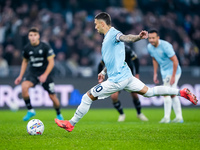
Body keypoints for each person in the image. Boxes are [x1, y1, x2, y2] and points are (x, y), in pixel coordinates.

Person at [55, 12, 198, 132]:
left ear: (102, 24)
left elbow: (126, 37)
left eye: (96, 24)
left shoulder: (113, 34)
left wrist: (137, 37)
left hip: (117, 80)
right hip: (127, 76)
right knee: (149, 92)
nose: (95, 27)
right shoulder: (106, 39)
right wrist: (104, 72)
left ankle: (71, 124)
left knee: (87, 97)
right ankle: (182, 92)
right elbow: (112, 60)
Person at [14, 27, 64, 121]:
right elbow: (25, 62)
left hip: (45, 73)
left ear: (38, 36)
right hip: (32, 73)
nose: (33, 37)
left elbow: (51, 62)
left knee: (52, 96)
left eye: (35, 35)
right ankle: (30, 110)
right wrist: (20, 76)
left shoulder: (45, 47)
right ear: (28, 37)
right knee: (24, 86)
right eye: (31, 35)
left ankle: (58, 113)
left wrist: (45, 75)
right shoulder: (27, 48)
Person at [98, 43, 148, 122]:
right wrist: (100, 77)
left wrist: (137, 74)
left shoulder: (127, 50)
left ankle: (139, 113)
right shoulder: (110, 52)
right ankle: (121, 114)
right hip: (116, 78)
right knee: (114, 97)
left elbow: (136, 60)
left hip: (128, 76)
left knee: (135, 95)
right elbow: (101, 64)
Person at [147, 29, 183, 123]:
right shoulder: (150, 47)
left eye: (153, 38)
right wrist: (155, 74)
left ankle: (167, 118)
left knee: (166, 93)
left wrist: (173, 76)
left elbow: (175, 61)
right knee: (172, 94)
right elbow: (154, 59)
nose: (151, 40)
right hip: (164, 72)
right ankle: (179, 117)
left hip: (173, 71)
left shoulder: (166, 46)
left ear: (158, 38)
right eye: (149, 38)